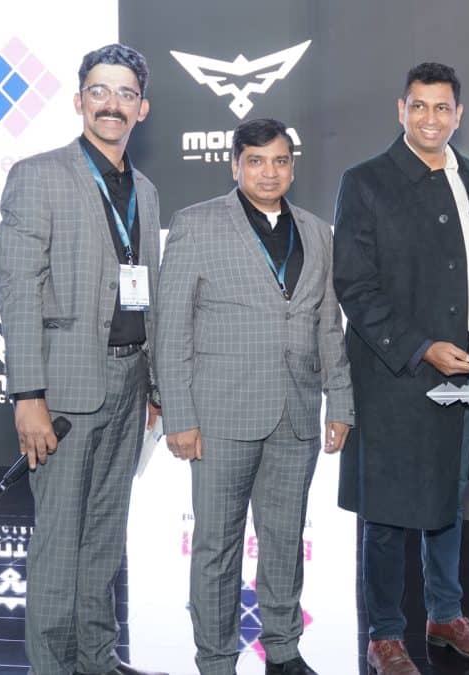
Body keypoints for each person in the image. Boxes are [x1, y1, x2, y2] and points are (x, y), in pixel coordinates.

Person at [332, 62, 469, 675]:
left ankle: (445, 614)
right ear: (401, 110)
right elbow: (355, 287)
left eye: (442, 108)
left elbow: (467, 264)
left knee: (448, 498)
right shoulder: (365, 181)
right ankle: (385, 634)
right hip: (396, 371)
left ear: (458, 115)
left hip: (465, 370)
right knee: (386, 512)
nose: (430, 118)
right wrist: (420, 346)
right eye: (419, 106)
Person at [155, 118, 353, 675]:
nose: (270, 173)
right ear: (235, 165)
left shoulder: (317, 232)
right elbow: (171, 328)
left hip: (296, 414)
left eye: (280, 161)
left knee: (285, 540)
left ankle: (284, 650)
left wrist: (339, 400)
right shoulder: (195, 225)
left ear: (293, 166)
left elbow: (328, 324)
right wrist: (179, 415)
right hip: (220, 415)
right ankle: (217, 659)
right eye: (257, 161)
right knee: (216, 547)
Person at [0, 44, 164, 675]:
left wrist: (155, 388)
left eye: (125, 93)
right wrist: (28, 396)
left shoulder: (146, 190)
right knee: (60, 540)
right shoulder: (37, 175)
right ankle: (52, 666)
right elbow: (17, 290)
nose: (111, 104)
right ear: (78, 100)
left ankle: (97, 658)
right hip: (63, 389)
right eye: (99, 91)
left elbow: (147, 290)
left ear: (141, 108)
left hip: (130, 381)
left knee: (104, 535)